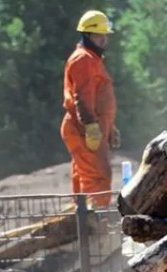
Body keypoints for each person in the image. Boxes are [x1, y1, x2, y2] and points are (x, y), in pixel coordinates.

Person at [61, 10, 120, 209]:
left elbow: (99, 98)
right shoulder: (83, 59)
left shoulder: (92, 59)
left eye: (105, 35)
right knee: (98, 178)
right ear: (86, 35)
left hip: (89, 128)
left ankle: (79, 220)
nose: (104, 40)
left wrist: (109, 127)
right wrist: (91, 126)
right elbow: (83, 96)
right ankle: (96, 222)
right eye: (98, 35)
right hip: (83, 129)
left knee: (84, 180)